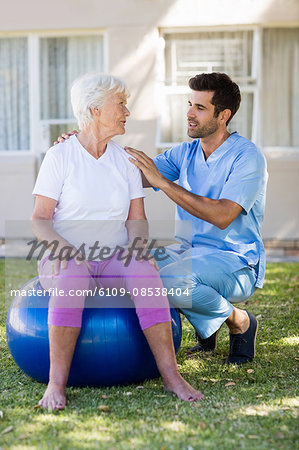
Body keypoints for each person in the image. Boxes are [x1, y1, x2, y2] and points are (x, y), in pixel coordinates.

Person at [31, 72, 204, 411]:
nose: (128, 111)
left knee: (143, 269)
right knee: (73, 274)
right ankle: (56, 385)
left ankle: (172, 376)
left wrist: (139, 248)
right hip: (65, 258)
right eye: (121, 104)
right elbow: (40, 219)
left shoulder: (124, 159)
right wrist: (65, 251)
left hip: (112, 257)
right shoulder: (60, 156)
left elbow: (136, 218)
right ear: (94, 109)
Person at [124, 72, 268, 364]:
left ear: (223, 115)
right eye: (190, 104)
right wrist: (85, 147)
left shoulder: (247, 157)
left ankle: (240, 322)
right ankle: (206, 328)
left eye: (200, 108)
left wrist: (164, 183)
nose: (189, 113)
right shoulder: (185, 153)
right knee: (134, 266)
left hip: (236, 262)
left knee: (168, 280)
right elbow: (131, 174)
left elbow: (223, 215)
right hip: (189, 253)